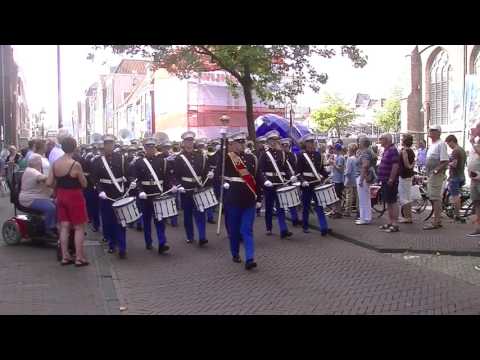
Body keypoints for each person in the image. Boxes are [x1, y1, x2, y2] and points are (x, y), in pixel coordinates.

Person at [219, 132, 261, 270]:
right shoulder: (227, 158)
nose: (242, 145)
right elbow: (217, 166)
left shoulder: (251, 158)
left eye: (243, 142)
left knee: (247, 229)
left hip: (249, 199)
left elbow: (257, 178)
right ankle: (235, 253)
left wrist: (259, 196)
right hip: (233, 199)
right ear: (233, 144)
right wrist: (223, 138)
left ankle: (250, 258)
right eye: (238, 143)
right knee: (234, 230)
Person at [46, 137, 89, 267]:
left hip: (61, 195)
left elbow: (48, 182)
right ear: (75, 147)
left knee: (64, 226)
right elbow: (84, 184)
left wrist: (58, 186)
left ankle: (65, 256)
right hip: (74, 196)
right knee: (79, 227)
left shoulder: (55, 163)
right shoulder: (75, 164)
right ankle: (79, 257)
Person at [133, 137, 176, 254]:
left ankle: (162, 242)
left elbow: (167, 177)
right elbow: (136, 179)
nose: (150, 149)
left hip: (159, 194)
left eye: (152, 147)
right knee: (146, 221)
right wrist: (140, 191)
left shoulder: (162, 161)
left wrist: (172, 185)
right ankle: (148, 242)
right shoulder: (139, 162)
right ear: (145, 148)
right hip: (145, 195)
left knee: (160, 219)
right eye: (148, 147)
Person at [92, 135, 129, 258]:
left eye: (111, 144)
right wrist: (100, 190)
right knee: (109, 221)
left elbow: (128, 175)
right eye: (107, 144)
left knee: (121, 221)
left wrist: (130, 184)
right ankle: (112, 244)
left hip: (119, 193)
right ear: (104, 145)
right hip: (106, 195)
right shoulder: (97, 161)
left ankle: (122, 247)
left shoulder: (122, 159)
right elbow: (94, 178)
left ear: (114, 144)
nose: (109, 146)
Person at [174, 131, 210, 246]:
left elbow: (205, 171)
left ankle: (202, 236)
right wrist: (179, 185)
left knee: (201, 212)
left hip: (198, 187)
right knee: (188, 215)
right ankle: (190, 236)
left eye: (191, 140)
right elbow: (175, 175)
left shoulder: (200, 155)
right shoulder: (179, 158)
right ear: (183, 143)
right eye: (187, 141)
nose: (189, 143)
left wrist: (209, 176)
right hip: (186, 189)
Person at [258, 130, 294, 238]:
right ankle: (269, 227)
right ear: (268, 142)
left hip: (280, 182)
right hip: (269, 183)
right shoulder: (264, 154)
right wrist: (265, 181)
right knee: (269, 206)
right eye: (272, 140)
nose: (274, 142)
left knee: (281, 206)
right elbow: (259, 170)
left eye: (276, 140)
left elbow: (285, 167)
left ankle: (283, 229)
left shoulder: (282, 153)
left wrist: (290, 176)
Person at [296, 133, 331, 235]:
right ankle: (305, 226)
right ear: (305, 144)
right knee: (306, 206)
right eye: (310, 142)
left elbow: (321, 170)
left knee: (319, 205)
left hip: (316, 183)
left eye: (313, 142)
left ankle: (324, 228)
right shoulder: (301, 156)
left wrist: (326, 175)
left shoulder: (318, 155)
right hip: (306, 184)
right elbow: (298, 172)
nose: (312, 144)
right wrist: (303, 181)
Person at [19, 154, 56, 237]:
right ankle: (48, 229)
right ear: (37, 162)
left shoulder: (32, 170)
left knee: (58, 203)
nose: (41, 162)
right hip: (30, 199)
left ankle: (54, 224)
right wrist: (52, 176)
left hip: (38, 197)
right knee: (51, 208)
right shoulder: (32, 171)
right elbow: (41, 178)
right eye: (40, 160)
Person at [423, 125, 449, 230]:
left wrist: (435, 171)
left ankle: (436, 221)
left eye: (433, 130)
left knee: (435, 198)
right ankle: (437, 220)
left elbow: (445, 161)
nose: (430, 132)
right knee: (434, 197)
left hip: (436, 175)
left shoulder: (441, 144)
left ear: (438, 132)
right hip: (432, 175)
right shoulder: (433, 144)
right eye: (430, 130)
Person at [377, 133, 400, 233]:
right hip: (385, 180)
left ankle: (395, 224)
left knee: (392, 201)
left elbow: (395, 166)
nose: (379, 140)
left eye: (381, 139)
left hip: (390, 181)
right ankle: (390, 222)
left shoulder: (392, 150)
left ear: (386, 140)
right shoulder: (387, 150)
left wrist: (391, 179)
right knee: (388, 202)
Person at [445, 134, 467, 223]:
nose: (449, 146)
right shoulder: (462, 150)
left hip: (455, 177)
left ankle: (457, 215)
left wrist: (446, 163)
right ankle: (455, 211)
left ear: (452, 141)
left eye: (449, 144)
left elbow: (454, 164)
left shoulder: (455, 151)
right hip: (461, 176)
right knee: (454, 195)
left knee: (455, 197)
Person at [280, 137, 301, 226]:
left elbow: (296, 166)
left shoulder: (293, 155)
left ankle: (295, 218)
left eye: (287, 146)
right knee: (286, 200)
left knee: (294, 199)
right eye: (283, 146)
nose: (285, 147)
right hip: (284, 180)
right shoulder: (280, 156)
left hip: (293, 178)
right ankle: (292, 218)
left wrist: (295, 176)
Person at [356, 137, 376, 225]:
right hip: (366, 177)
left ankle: (364, 218)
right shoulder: (369, 151)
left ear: (363, 143)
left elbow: (365, 165)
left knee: (363, 198)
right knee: (366, 198)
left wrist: (361, 179)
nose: (358, 144)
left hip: (363, 177)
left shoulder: (365, 152)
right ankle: (365, 217)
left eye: (359, 142)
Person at [398, 134, 416, 224]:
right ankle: (408, 216)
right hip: (409, 176)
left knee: (404, 197)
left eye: (402, 139)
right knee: (407, 196)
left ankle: (407, 217)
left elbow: (406, 164)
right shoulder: (411, 151)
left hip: (403, 176)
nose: (401, 140)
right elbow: (413, 162)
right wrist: (412, 166)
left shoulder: (404, 151)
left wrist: (410, 166)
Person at [467, 136, 480, 237]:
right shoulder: (474, 146)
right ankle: (478, 228)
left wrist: (473, 143)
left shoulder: (475, 146)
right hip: (474, 180)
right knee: (476, 203)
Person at [329, 143, 345, 218]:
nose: (333, 150)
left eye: (334, 149)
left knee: (338, 196)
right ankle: (335, 211)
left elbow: (340, 169)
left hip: (339, 180)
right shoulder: (337, 157)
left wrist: (333, 163)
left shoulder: (341, 158)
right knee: (336, 196)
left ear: (336, 149)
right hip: (336, 179)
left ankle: (338, 212)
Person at [343, 143, 358, 218]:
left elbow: (348, 171)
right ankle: (358, 210)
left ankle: (347, 211)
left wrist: (345, 178)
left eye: (348, 149)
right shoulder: (357, 158)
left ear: (350, 150)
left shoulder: (349, 159)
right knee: (356, 196)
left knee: (348, 195)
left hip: (349, 180)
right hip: (356, 179)